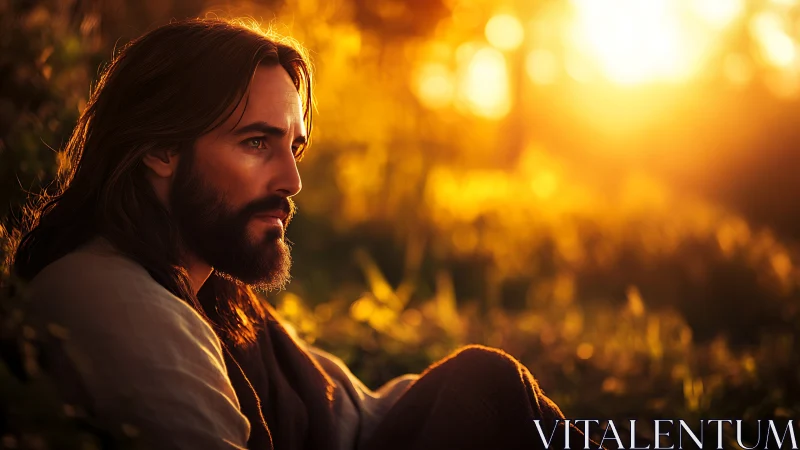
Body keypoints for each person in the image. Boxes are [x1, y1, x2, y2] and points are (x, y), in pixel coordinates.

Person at [7, 18, 594, 450]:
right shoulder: (116, 300)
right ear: (160, 148)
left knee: (482, 385)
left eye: (296, 147)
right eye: (256, 143)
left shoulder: (211, 295)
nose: (291, 180)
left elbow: (351, 414)